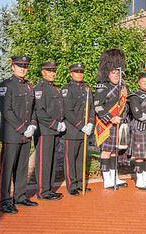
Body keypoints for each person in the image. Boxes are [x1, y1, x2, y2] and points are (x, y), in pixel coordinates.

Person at [0, 56, 38, 214]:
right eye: (19, 66)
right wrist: (23, 128)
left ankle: (20, 196)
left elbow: (33, 108)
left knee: (22, 168)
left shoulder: (28, 86)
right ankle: (4, 201)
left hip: (26, 135)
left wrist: (33, 124)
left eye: (25, 66)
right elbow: (6, 111)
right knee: (7, 169)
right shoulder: (6, 85)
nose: (23, 69)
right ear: (12, 66)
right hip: (12, 135)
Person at [93, 49, 129, 189]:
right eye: (113, 73)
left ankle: (115, 177)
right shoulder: (103, 86)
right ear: (107, 73)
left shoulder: (122, 87)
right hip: (105, 124)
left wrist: (124, 96)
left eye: (118, 73)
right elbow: (97, 107)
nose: (116, 75)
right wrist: (110, 118)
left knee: (115, 151)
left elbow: (124, 107)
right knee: (106, 152)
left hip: (117, 124)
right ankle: (106, 178)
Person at [61, 64, 95, 195]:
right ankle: (72, 185)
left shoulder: (86, 88)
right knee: (70, 160)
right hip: (72, 131)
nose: (79, 74)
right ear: (71, 74)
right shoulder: (67, 89)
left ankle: (81, 182)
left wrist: (91, 123)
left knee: (81, 159)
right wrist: (82, 125)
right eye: (76, 72)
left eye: (81, 72)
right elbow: (68, 112)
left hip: (85, 131)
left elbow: (91, 108)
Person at [34, 62, 65, 200]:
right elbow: (39, 112)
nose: (53, 73)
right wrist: (55, 124)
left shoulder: (53, 88)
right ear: (43, 72)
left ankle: (49, 189)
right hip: (45, 131)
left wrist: (61, 123)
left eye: (54, 71)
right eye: (50, 71)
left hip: (54, 131)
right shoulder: (40, 88)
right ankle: (42, 191)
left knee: (52, 161)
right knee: (44, 162)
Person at [128, 71, 146, 190]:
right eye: (143, 82)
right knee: (139, 155)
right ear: (139, 83)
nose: (145, 83)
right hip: (140, 128)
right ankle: (139, 180)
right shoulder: (135, 97)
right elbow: (137, 114)